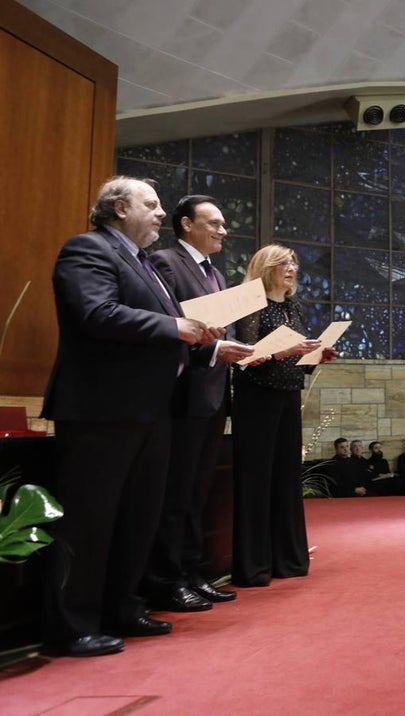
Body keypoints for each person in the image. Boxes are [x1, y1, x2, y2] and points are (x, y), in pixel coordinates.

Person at [41, 176, 222, 657]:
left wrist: (197, 337)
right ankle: (71, 626)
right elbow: (95, 313)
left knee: (138, 517)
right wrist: (174, 326)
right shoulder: (87, 249)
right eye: (152, 204)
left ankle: (122, 606)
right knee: (89, 520)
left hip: (151, 410)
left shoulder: (145, 264)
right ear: (120, 208)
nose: (162, 213)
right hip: (102, 410)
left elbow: (160, 329)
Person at [143, 194, 253, 614]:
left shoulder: (217, 274)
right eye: (215, 223)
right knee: (176, 493)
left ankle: (192, 572)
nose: (223, 230)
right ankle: (167, 579)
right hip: (183, 393)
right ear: (186, 224)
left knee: (195, 491)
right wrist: (213, 347)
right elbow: (172, 326)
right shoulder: (167, 262)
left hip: (212, 394)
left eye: (223, 224)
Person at [231, 244, 336, 587]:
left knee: (286, 477)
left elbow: (293, 356)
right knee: (257, 479)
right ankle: (254, 565)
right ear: (266, 268)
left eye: (293, 264)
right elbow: (246, 361)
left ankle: (287, 559)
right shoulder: (252, 305)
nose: (291, 269)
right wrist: (286, 351)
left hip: (288, 395)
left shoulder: (292, 306)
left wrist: (314, 357)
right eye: (283, 264)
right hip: (257, 399)